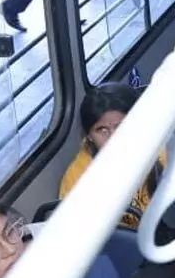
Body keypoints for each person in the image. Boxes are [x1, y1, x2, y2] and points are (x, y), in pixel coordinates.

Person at [60, 82, 166, 230]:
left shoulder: (160, 149)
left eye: (121, 126)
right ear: (89, 136)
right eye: (102, 130)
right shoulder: (78, 180)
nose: (113, 137)